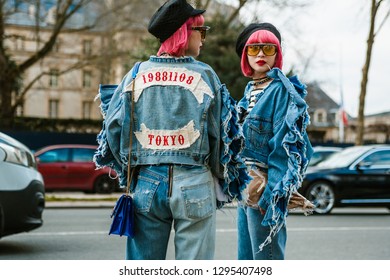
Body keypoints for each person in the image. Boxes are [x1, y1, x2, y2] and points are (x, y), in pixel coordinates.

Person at [94, 0, 249, 260]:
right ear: (184, 33)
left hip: (146, 182)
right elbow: (221, 134)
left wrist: (130, 166)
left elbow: (113, 127)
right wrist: (220, 174)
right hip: (195, 180)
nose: (204, 39)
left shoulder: (136, 73)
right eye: (201, 31)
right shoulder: (206, 75)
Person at [235, 23, 314, 260]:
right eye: (254, 48)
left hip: (265, 187)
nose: (260, 54)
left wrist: (272, 193)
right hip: (245, 186)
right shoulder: (250, 89)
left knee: (265, 259)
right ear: (245, 55)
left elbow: (283, 146)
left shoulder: (280, 89)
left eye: (268, 49)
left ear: (277, 54)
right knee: (246, 258)